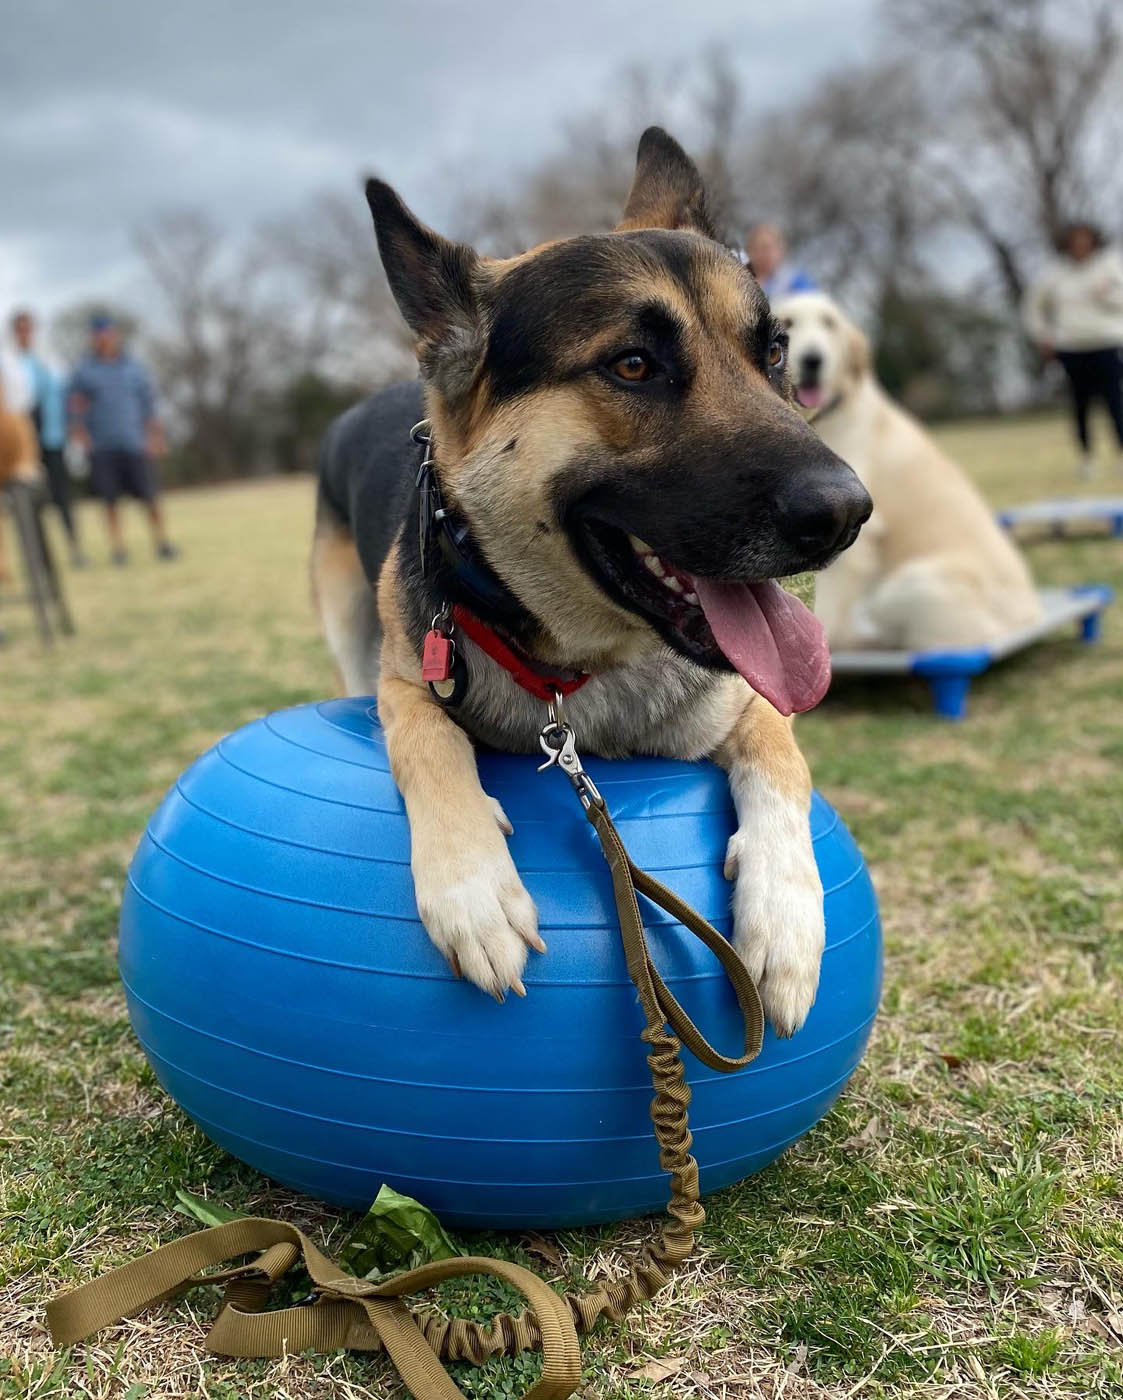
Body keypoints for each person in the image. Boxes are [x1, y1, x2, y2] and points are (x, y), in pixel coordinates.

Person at [67, 314, 177, 564]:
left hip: (135, 442)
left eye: (107, 333)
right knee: (109, 501)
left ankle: (162, 542)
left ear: (115, 335)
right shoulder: (84, 371)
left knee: (150, 497)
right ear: (93, 338)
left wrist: (155, 437)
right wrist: (81, 436)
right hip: (103, 446)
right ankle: (119, 549)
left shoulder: (133, 367)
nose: (103, 339)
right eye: (98, 334)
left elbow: (149, 406)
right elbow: (75, 408)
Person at [1022, 222, 1123, 478]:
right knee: (1080, 405)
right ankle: (1087, 459)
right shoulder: (1055, 273)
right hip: (1070, 347)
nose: (1080, 244)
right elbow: (1032, 307)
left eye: (1085, 239)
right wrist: (1042, 336)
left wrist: (1107, 295)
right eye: (1075, 239)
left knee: (1115, 402)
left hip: (1106, 343)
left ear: (1093, 240)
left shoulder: (1110, 264)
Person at [11, 310, 87, 566]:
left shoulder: (50, 361)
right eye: (20, 329)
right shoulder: (9, 364)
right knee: (30, 501)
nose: (25, 334)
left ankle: (75, 549)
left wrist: (73, 427)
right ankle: (38, 557)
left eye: (28, 328)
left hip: (54, 438)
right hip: (25, 446)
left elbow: (65, 397)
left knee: (62, 496)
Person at [744, 223, 817, 301]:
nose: (762, 254)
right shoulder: (741, 283)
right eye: (756, 248)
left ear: (781, 249)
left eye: (767, 248)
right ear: (748, 251)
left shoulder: (797, 281)